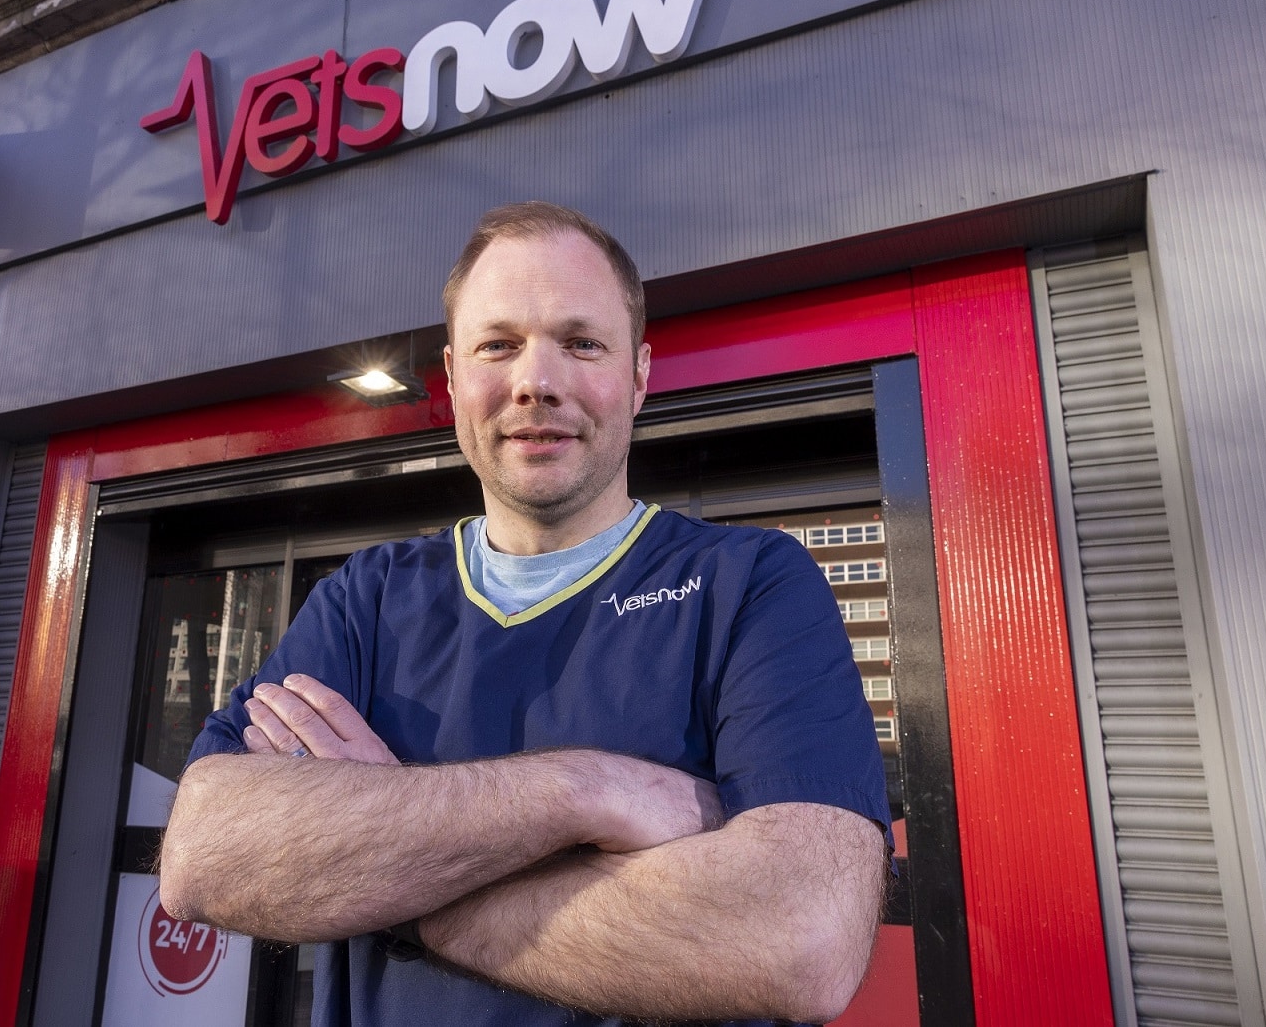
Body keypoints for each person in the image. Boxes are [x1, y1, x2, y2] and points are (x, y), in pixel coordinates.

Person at [160, 201, 891, 1026]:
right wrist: (588, 789)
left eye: (581, 342)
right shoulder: (364, 600)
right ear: (451, 378)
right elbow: (204, 856)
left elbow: (798, 936)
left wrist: (389, 874)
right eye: (498, 344)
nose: (537, 381)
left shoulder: (751, 586)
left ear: (641, 375)